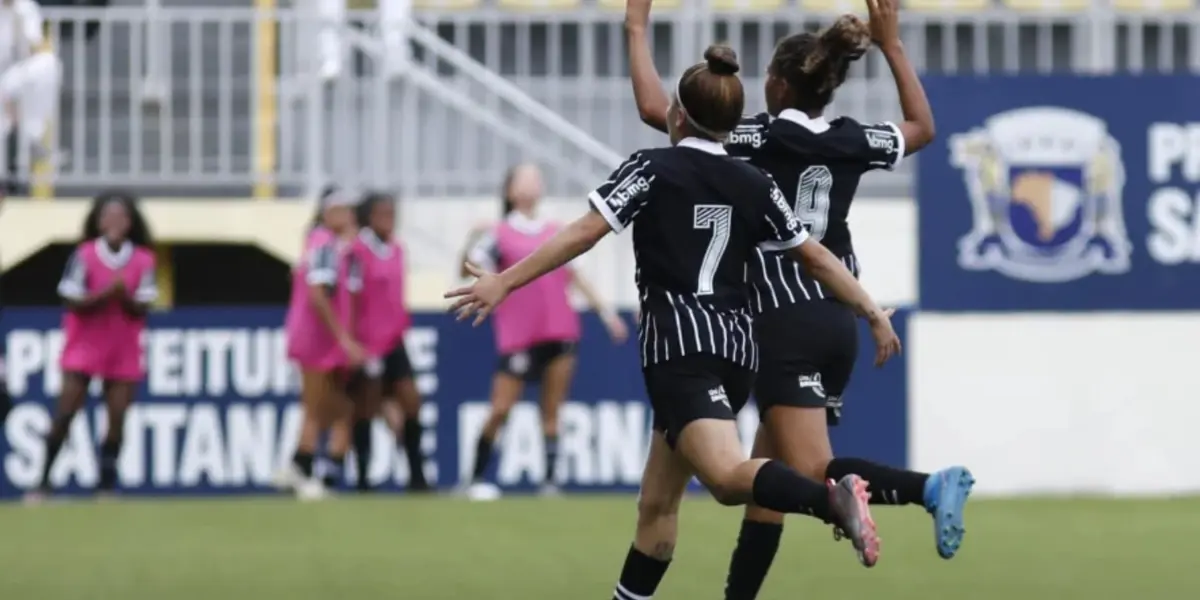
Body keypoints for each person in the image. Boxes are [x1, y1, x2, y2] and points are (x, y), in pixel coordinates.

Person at [447, 45, 901, 600]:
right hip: (737, 351)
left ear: (677, 115)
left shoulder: (651, 167)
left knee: (728, 479)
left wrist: (504, 280)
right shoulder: (756, 184)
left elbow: (585, 232)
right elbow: (818, 257)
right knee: (656, 507)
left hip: (681, 351)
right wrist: (872, 310)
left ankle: (830, 497)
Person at [624, 0, 973, 584]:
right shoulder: (852, 139)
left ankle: (928, 487)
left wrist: (637, 27)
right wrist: (893, 45)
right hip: (839, 315)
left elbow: (660, 111)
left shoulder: (756, 136)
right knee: (771, 483)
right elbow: (922, 129)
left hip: (780, 314)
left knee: (811, 472)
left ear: (778, 84)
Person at [457, 163, 628, 500]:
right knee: (501, 409)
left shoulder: (556, 231)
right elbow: (472, 272)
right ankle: (474, 479)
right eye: (524, 177)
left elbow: (577, 278)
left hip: (560, 331)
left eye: (536, 177)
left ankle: (549, 482)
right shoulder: (499, 233)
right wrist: (474, 236)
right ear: (510, 190)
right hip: (519, 336)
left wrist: (607, 315)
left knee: (551, 414)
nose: (533, 182)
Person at [27, 191, 157, 502]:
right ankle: (43, 481)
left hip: (122, 347)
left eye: (121, 217)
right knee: (66, 412)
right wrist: (104, 294)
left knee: (117, 418)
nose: (114, 223)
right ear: (98, 221)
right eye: (108, 216)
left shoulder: (143, 260)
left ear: (130, 223)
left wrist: (123, 295)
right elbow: (71, 299)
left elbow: (143, 306)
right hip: (84, 345)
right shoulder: (84, 255)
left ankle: (106, 484)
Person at [274, 186, 365, 501]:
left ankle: (306, 470)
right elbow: (318, 295)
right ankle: (304, 470)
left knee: (332, 408)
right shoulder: (324, 244)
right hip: (317, 340)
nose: (351, 215)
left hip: (321, 339)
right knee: (319, 407)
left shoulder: (333, 247)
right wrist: (344, 339)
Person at [347, 191, 431, 493]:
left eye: (392, 213)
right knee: (366, 408)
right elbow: (352, 299)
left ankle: (417, 475)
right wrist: (353, 341)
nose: (389, 220)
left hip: (395, 340)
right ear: (370, 217)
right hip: (368, 342)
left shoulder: (397, 248)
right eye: (383, 214)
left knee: (411, 403)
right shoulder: (358, 250)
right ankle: (363, 477)